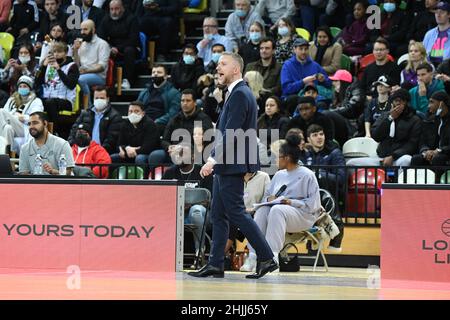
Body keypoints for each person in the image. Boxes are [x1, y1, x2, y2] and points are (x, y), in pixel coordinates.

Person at [188, 52, 278, 279]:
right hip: (228, 164)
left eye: (223, 64)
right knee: (219, 214)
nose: (218, 68)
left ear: (236, 69)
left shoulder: (240, 94)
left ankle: (267, 257)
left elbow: (232, 133)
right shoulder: (235, 94)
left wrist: (212, 159)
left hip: (231, 163)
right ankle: (216, 263)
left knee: (236, 212)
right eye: (218, 64)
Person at [242, 134, 321, 273]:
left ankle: (273, 258)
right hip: (280, 212)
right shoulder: (279, 175)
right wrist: (269, 199)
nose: (275, 160)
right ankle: (253, 256)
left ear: (287, 158)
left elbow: (314, 204)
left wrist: (291, 202)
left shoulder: (308, 175)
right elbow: (267, 196)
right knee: (263, 210)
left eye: (278, 156)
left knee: (277, 210)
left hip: (304, 216)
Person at [347, 89, 422, 167]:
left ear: (407, 103)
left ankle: (399, 179)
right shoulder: (384, 116)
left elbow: (412, 144)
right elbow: (376, 136)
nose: (398, 103)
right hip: (381, 157)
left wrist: (393, 156)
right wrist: (390, 118)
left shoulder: (415, 120)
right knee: (351, 163)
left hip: (399, 157)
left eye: (401, 101)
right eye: (396, 101)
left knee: (407, 160)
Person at [162, 143, 213, 254]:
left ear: (193, 156)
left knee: (196, 210)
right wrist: (178, 206)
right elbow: (162, 197)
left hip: (202, 215)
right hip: (176, 214)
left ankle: (199, 250)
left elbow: (209, 199)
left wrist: (189, 206)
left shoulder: (203, 172)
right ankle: (164, 253)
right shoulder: (169, 173)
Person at [148, 89, 213, 167]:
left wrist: (185, 149)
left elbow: (207, 141)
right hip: (175, 152)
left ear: (195, 102)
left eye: (188, 100)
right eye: (182, 101)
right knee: (155, 155)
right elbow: (164, 140)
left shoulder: (204, 119)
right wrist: (169, 147)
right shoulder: (175, 119)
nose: (185, 103)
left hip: (194, 154)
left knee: (182, 158)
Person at [35, 41, 79, 136]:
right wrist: (43, 67)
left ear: (66, 53)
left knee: (50, 103)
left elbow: (71, 84)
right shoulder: (48, 66)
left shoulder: (72, 66)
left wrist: (59, 69)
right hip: (48, 98)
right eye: (54, 52)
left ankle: (54, 132)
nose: (56, 54)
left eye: (59, 52)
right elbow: (37, 82)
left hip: (66, 100)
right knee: (36, 102)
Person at [97, 0, 140, 89]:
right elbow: (101, 37)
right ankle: (105, 80)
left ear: (122, 8)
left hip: (128, 46)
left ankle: (127, 79)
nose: (114, 12)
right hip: (111, 47)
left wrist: (118, 48)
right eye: (111, 9)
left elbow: (133, 39)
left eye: (117, 9)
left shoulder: (132, 19)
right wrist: (110, 47)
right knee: (101, 50)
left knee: (129, 51)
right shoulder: (106, 19)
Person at [68, 86, 122, 154]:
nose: (99, 100)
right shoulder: (85, 114)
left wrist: (97, 152)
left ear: (107, 99)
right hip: (82, 152)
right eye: (96, 98)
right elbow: (73, 133)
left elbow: (111, 141)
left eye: (102, 98)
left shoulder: (114, 116)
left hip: (102, 153)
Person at [281, 37, 331, 103]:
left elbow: (329, 84)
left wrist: (323, 80)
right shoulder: (287, 65)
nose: (303, 52)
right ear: (294, 49)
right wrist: (303, 82)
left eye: (306, 49)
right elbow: (286, 89)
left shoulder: (315, 65)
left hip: (313, 98)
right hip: (294, 99)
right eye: (301, 49)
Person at [0, 76, 44, 153]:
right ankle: (7, 157)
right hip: (12, 125)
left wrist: (23, 117)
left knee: (1, 111)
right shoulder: (12, 99)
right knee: (7, 128)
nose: (22, 88)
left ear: (29, 88)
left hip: (25, 127)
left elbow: (37, 118)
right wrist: (13, 115)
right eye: (20, 86)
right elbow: (5, 114)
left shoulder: (36, 101)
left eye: (25, 86)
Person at [110, 101, 160, 167]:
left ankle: (144, 177)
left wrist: (134, 150)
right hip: (128, 153)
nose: (133, 114)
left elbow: (148, 147)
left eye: (136, 111)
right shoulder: (125, 124)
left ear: (143, 113)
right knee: (112, 157)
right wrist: (126, 148)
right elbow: (119, 144)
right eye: (130, 111)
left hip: (146, 154)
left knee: (140, 158)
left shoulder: (150, 124)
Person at [411, 91, 450, 168]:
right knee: (416, 159)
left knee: (438, 159)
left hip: (446, 154)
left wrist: (439, 151)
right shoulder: (430, 120)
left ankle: (438, 180)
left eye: (432, 102)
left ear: (441, 104)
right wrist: (425, 151)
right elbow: (423, 140)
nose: (428, 106)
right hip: (433, 153)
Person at [136, 64, 181, 132]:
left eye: (159, 72)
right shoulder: (145, 92)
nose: (155, 74)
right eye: (153, 72)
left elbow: (173, 114)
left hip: (161, 123)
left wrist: (156, 121)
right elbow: (136, 107)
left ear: (165, 76)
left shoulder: (174, 93)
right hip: (144, 121)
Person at [423, 1, 450, 68]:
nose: (438, 15)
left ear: (449, 15)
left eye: (442, 12)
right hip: (429, 68)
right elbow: (423, 54)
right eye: (436, 12)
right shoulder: (429, 34)